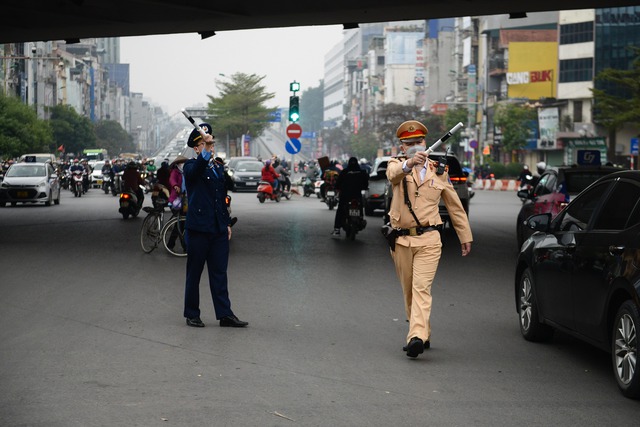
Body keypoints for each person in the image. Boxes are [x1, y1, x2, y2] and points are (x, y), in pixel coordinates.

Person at [386, 120, 473, 358]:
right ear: (402, 148)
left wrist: (464, 235)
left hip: (430, 240)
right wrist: (408, 164)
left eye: (418, 142)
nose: (415, 147)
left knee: (421, 288)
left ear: (426, 143)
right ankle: (423, 332)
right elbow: (393, 175)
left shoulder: (440, 170)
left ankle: (415, 337)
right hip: (402, 240)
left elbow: (455, 207)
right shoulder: (396, 165)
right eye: (409, 144)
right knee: (409, 293)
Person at [182, 123, 247, 329]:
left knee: (219, 273)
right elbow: (196, 172)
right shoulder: (191, 166)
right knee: (194, 273)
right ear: (196, 148)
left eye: (211, 143)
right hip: (199, 229)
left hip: (218, 228)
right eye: (204, 143)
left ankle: (225, 314)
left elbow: (222, 198)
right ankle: (192, 313)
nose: (210, 146)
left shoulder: (218, 167)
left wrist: (227, 223)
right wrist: (205, 155)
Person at [332, 157, 369, 235]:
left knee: (340, 210)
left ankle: (337, 228)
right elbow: (366, 183)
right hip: (357, 194)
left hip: (345, 195)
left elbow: (338, 183)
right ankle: (361, 219)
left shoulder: (345, 172)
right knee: (360, 206)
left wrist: (337, 187)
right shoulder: (362, 172)